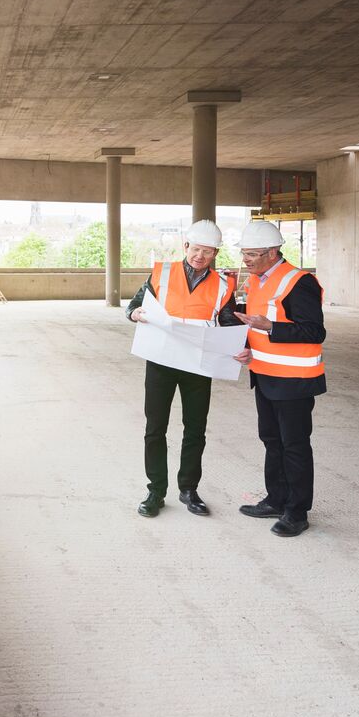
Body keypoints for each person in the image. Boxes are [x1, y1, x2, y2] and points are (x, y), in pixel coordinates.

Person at [126, 220, 240, 519]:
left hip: (197, 365)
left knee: (195, 430)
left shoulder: (223, 285)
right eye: (196, 249)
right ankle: (155, 491)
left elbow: (227, 322)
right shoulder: (162, 273)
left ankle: (189, 489)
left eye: (208, 251)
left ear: (215, 253)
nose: (200, 256)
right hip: (161, 362)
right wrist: (134, 313)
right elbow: (136, 305)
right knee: (155, 428)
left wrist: (240, 344)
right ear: (185, 246)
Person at [231, 220, 326, 537]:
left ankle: (297, 512)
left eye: (252, 254)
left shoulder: (299, 282)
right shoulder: (257, 281)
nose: (246, 260)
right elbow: (255, 325)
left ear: (273, 253)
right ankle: (276, 498)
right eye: (244, 253)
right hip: (265, 376)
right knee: (271, 440)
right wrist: (246, 345)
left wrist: (271, 326)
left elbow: (314, 331)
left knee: (294, 445)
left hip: (294, 381)